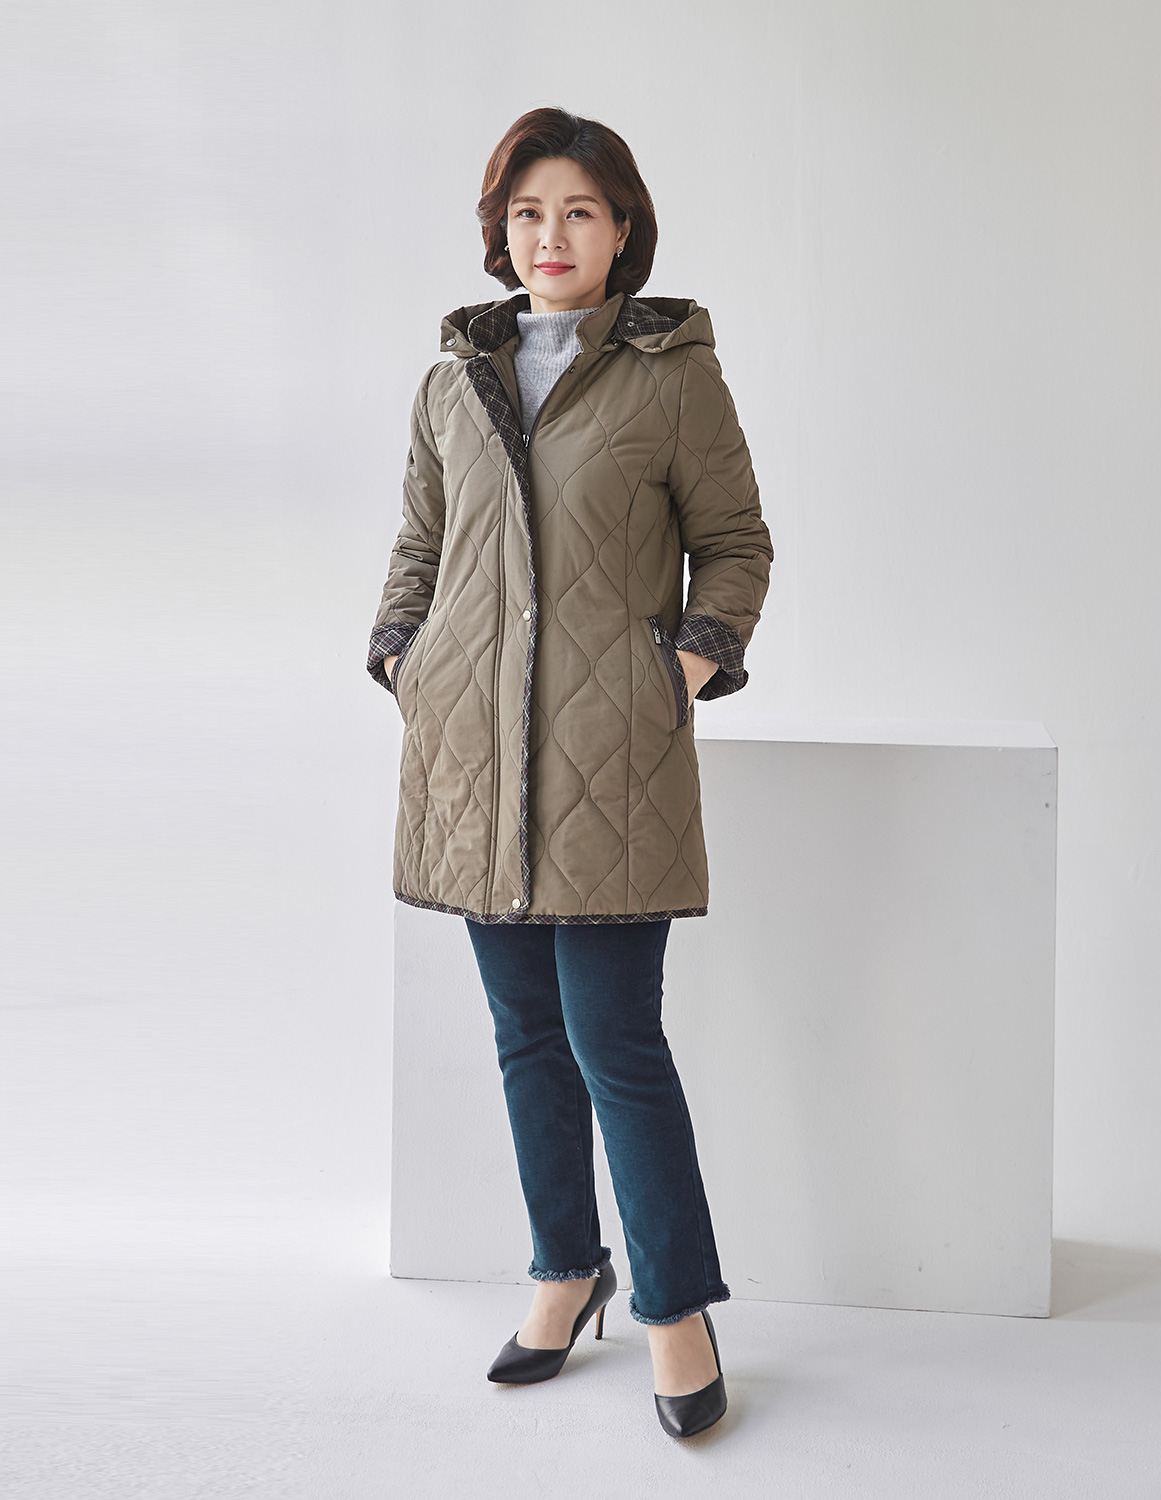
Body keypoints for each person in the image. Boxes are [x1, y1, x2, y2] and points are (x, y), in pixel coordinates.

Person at [366, 106, 773, 1439]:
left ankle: (675, 1306)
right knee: (526, 1037)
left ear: (622, 229)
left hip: (614, 758)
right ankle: (563, 1269)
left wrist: (683, 670)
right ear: (502, 231)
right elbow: (419, 547)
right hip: (475, 761)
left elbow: (735, 542)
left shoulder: (672, 375)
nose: (552, 234)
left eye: (580, 211)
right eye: (529, 211)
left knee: (618, 1044)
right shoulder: (452, 384)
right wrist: (405, 659)